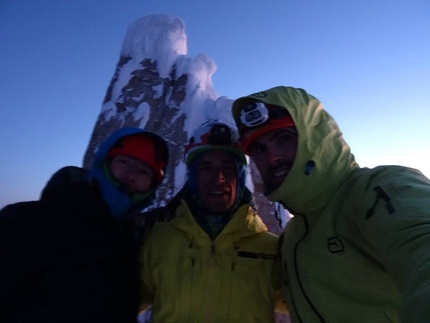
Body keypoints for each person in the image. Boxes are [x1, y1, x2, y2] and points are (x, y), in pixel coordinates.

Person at [231, 86, 430, 323]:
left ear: (314, 137)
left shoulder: (379, 189)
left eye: (283, 139)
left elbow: (419, 244)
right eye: (259, 150)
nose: (272, 157)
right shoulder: (293, 238)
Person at [0, 127, 168, 323]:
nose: (132, 175)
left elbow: (167, 215)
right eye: (125, 162)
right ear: (105, 162)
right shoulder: (26, 221)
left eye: (144, 172)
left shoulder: (130, 233)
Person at [139, 121, 288, 322]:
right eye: (205, 168)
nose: (218, 178)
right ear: (192, 177)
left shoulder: (271, 250)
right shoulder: (157, 240)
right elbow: (114, 303)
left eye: (228, 168)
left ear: (241, 177)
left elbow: (319, 302)